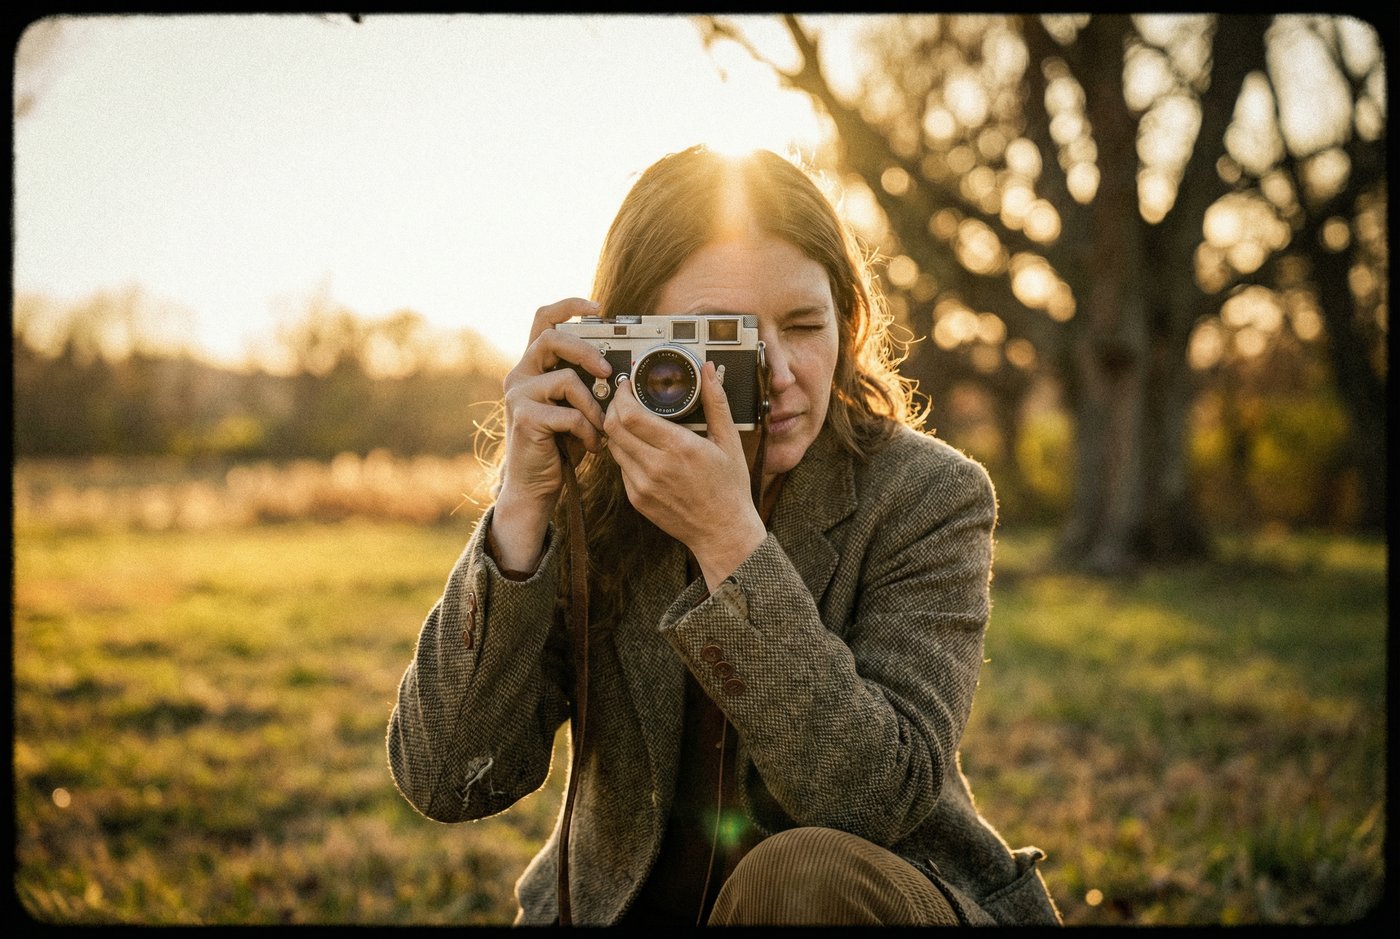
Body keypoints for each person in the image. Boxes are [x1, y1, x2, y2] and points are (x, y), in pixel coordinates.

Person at [386, 145, 1062, 927]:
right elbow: (448, 779)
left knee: (798, 875)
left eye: (806, 325)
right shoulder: (596, 499)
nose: (776, 369)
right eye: (722, 336)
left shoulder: (927, 494)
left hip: (877, 902)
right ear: (632, 341)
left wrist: (729, 543)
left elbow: (881, 796)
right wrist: (522, 509)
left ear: (847, 322)